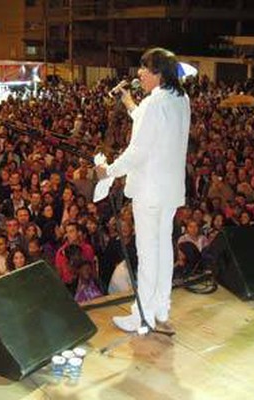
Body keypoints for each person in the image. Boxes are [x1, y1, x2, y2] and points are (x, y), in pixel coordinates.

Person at [95, 48, 190, 332]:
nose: (139, 74)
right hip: (170, 190)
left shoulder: (154, 104)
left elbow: (138, 151)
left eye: (144, 69)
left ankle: (142, 316)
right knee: (163, 250)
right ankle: (161, 308)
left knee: (148, 254)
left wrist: (108, 170)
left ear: (158, 73)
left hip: (150, 190)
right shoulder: (180, 99)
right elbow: (155, 130)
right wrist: (130, 105)